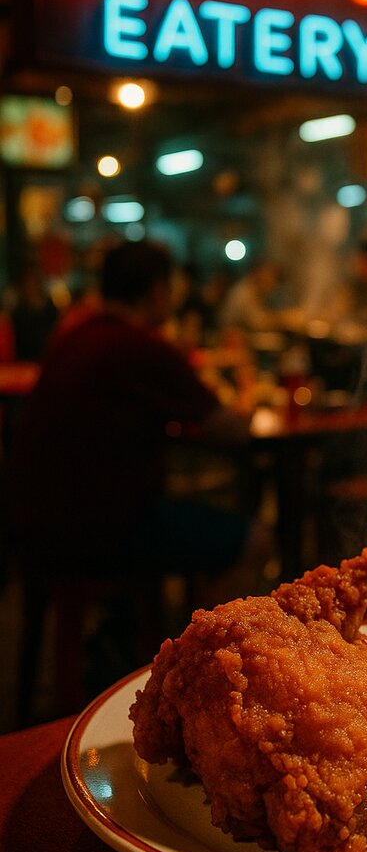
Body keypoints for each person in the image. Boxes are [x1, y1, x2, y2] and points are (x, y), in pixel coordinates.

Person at [6, 240, 270, 595]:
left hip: (34, 522)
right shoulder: (140, 347)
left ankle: (125, 633)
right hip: (100, 530)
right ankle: (212, 647)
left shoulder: (74, 336)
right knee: (255, 538)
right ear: (158, 291)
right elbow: (230, 428)